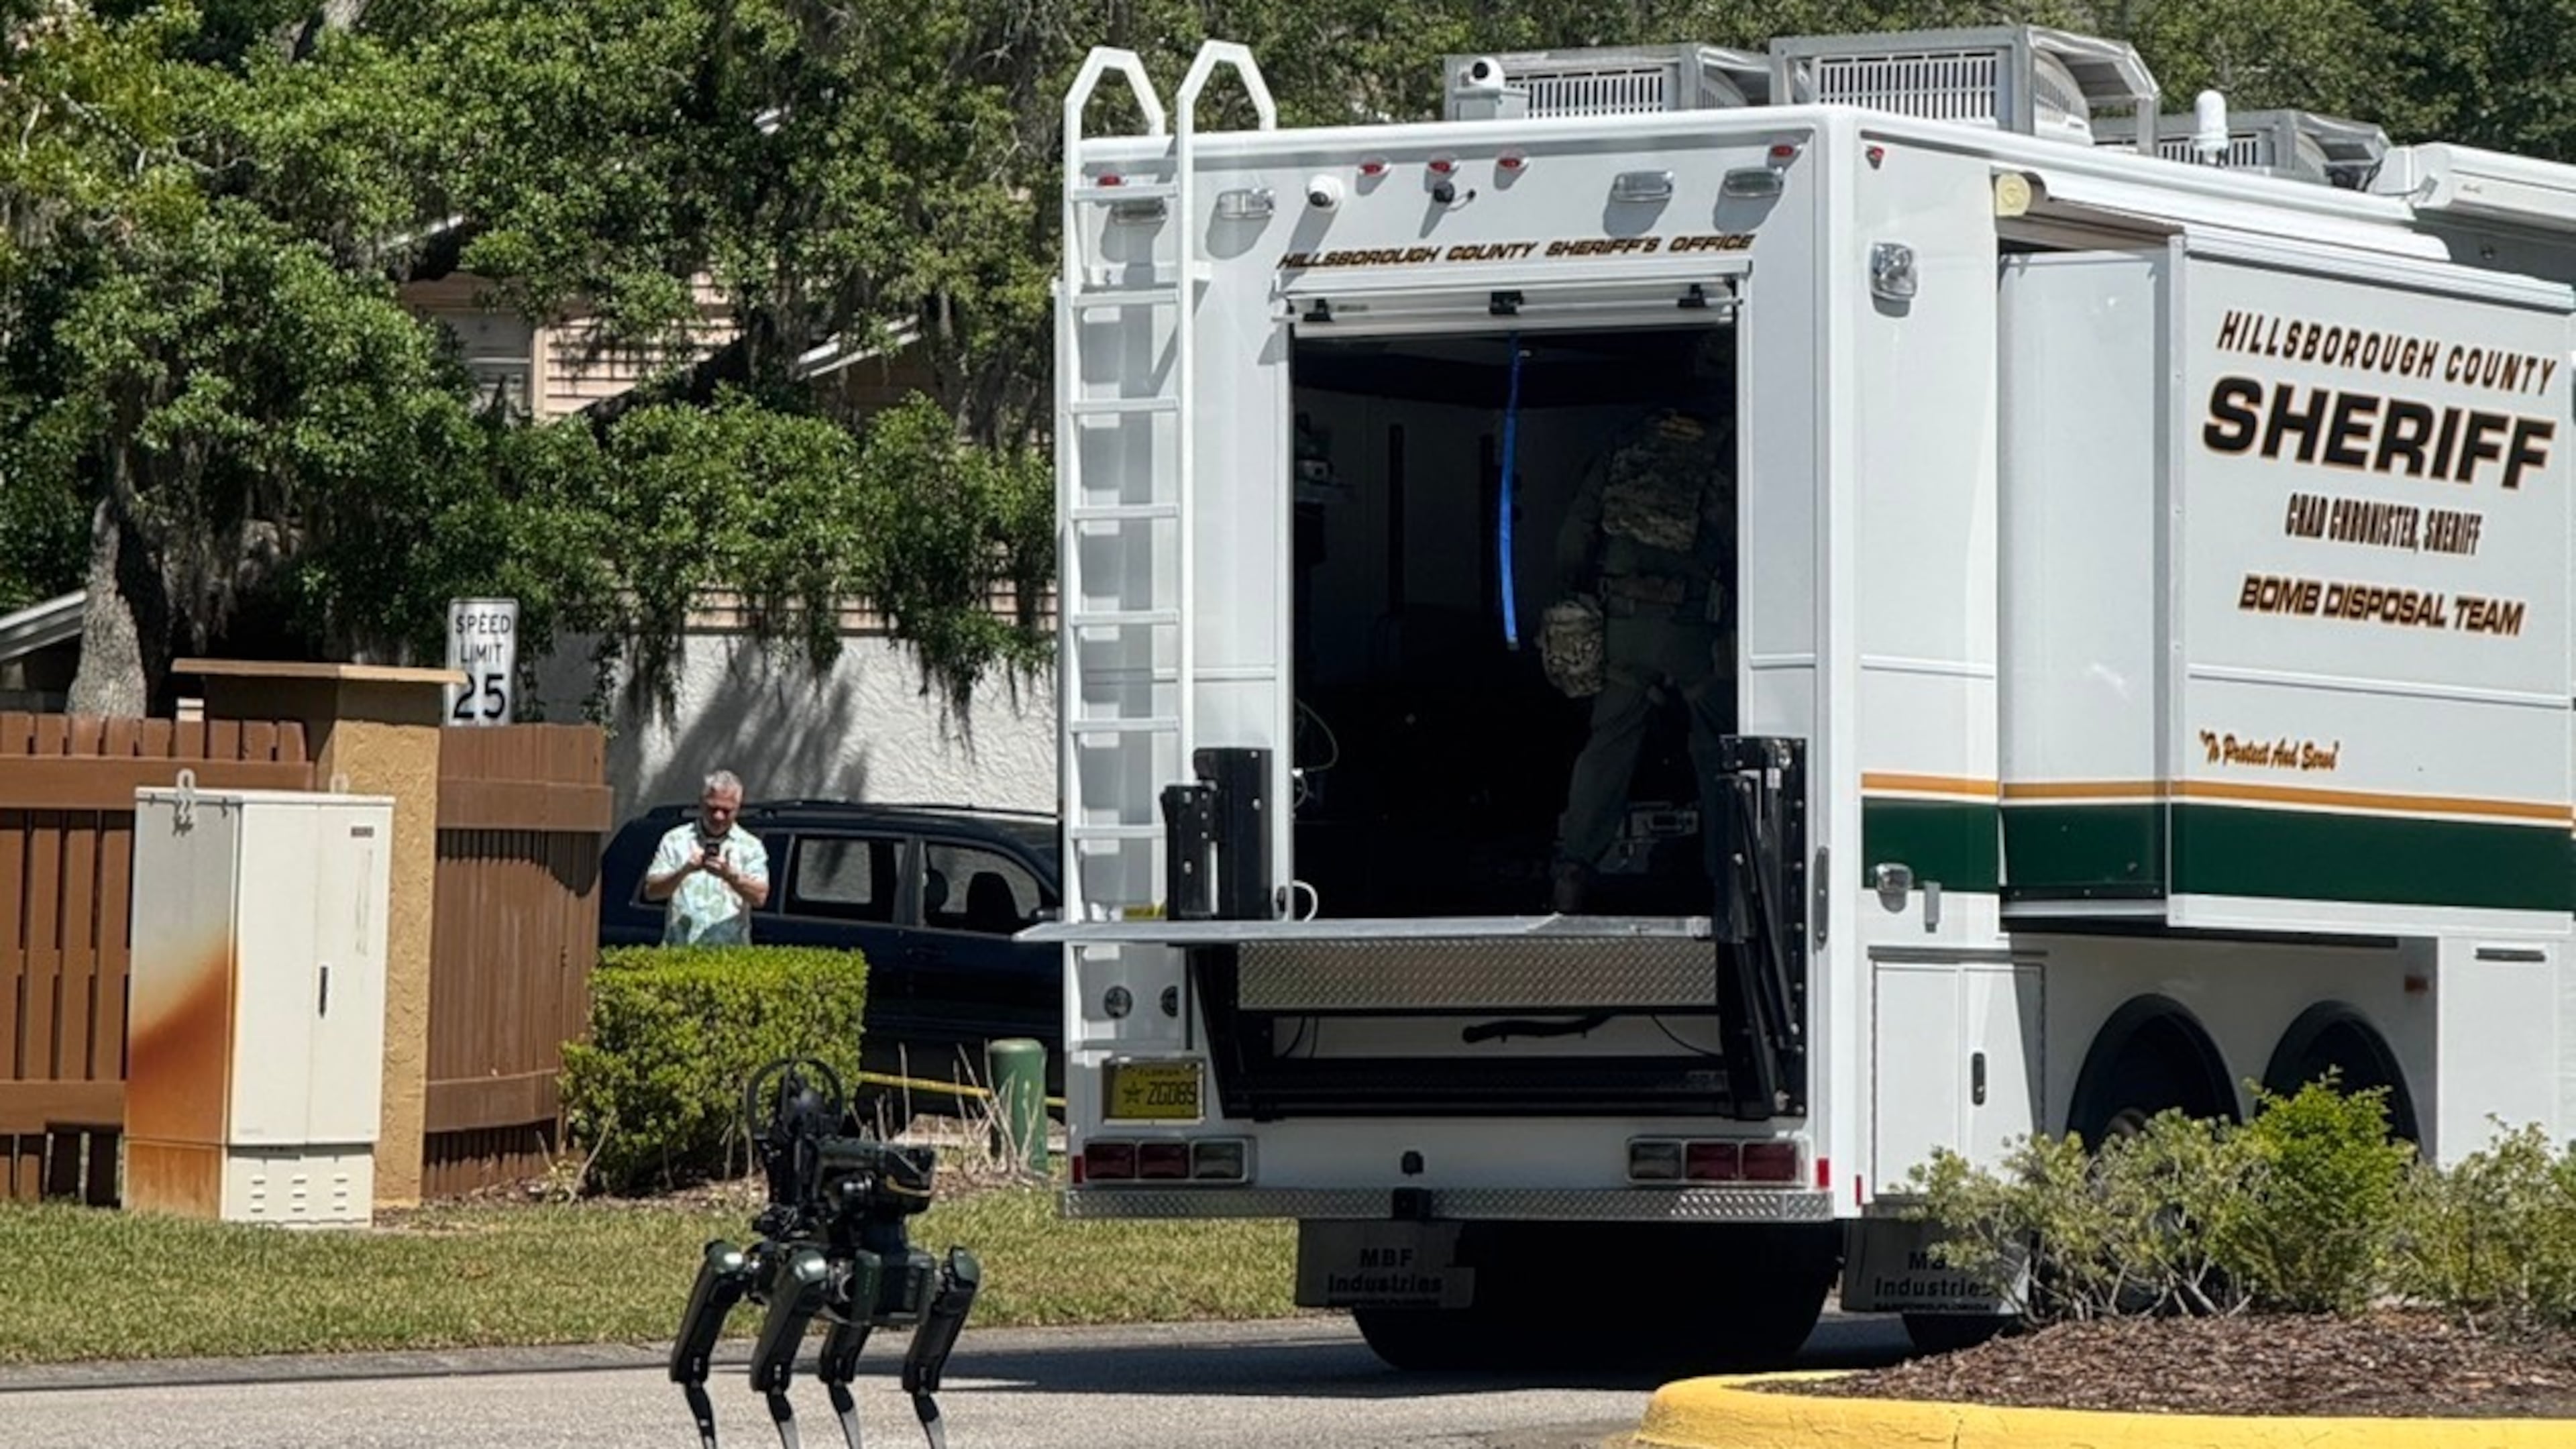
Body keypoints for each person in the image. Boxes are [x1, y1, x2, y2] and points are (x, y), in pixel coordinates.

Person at [1544, 338, 1737, 914]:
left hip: (1623, 624)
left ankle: (1573, 869)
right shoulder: (1733, 445)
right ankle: (1727, 880)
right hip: (1692, 628)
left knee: (1608, 744)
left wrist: (1575, 595)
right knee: (1718, 748)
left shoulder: (1630, 438)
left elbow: (1577, 531)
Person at [643, 769, 771, 944]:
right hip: (680, 951)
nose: (718, 816)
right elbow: (651, 892)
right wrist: (684, 871)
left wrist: (730, 876)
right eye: (713, 808)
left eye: (727, 811)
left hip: (729, 954)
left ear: (738, 808)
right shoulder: (675, 840)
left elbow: (759, 898)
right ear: (701, 804)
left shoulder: (750, 846)